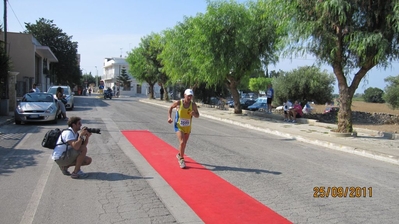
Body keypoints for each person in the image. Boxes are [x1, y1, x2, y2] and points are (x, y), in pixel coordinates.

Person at [167, 89, 200, 169]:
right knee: (182, 142)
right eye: (188, 96)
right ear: (184, 95)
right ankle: (181, 159)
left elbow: (197, 115)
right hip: (179, 125)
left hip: (187, 126)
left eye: (191, 96)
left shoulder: (193, 105)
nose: (189, 97)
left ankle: (179, 154)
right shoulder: (179, 103)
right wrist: (169, 117)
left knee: (184, 143)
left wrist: (194, 114)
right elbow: (171, 108)